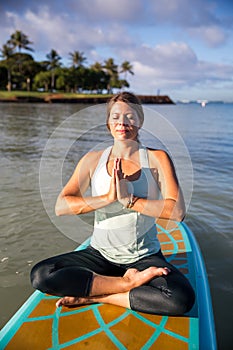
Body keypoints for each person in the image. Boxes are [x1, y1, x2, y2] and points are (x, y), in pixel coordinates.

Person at [31, 92, 195, 315]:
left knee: (180, 299)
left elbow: (177, 212)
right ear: (108, 123)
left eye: (130, 116)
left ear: (140, 121)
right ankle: (125, 285)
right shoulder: (92, 160)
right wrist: (107, 198)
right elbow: (62, 205)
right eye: (116, 117)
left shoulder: (157, 159)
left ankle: (99, 296)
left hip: (144, 257)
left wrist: (130, 200)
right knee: (42, 274)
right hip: (99, 254)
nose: (123, 123)